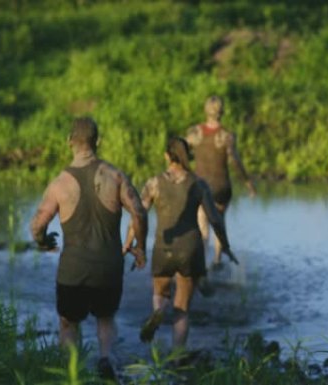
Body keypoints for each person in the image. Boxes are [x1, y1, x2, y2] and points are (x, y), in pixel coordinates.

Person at [30, 117, 148, 380]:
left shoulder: (60, 183)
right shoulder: (115, 176)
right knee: (105, 318)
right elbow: (139, 213)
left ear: (69, 142)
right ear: (98, 141)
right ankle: (106, 359)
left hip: (73, 270)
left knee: (68, 323)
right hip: (109, 266)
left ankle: (72, 372)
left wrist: (43, 241)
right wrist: (140, 247)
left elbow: (37, 224)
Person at [124, 137, 236, 351]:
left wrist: (129, 243)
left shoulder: (154, 183)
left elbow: (138, 216)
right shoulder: (198, 184)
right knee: (182, 308)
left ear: (167, 155)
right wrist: (226, 246)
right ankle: (177, 356)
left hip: (163, 247)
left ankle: (159, 312)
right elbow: (215, 219)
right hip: (191, 249)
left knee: (160, 293)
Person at [185, 95, 255, 268]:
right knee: (219, 220)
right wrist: (247, 183)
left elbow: (184, 154)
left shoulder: (194, 133)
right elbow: (235, 161)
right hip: (221, 186)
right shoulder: (226, 136)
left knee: (202, 226)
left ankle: (200, 263)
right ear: (222, 112)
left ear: (205, 110)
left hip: (200, 186)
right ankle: (217, 259)